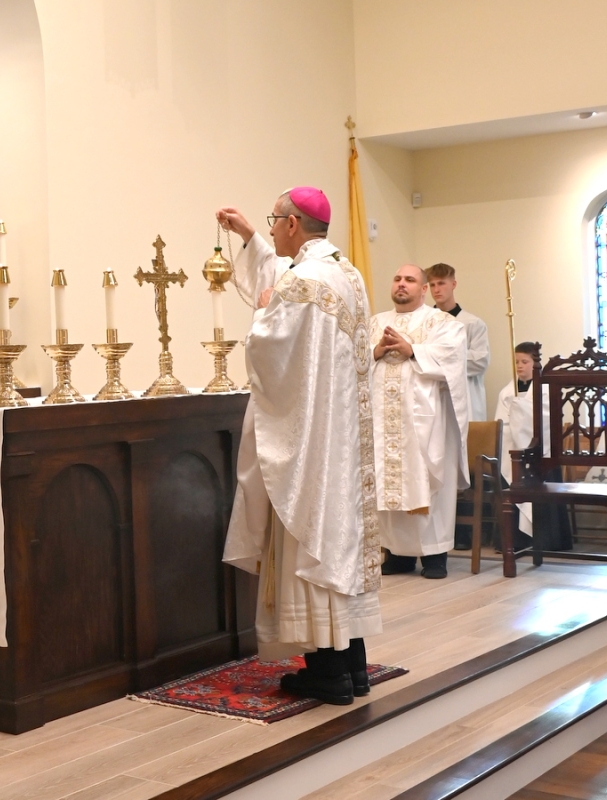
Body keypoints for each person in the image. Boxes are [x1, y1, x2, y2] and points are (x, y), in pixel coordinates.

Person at [216, 187, 380, 706]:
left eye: (272, 221)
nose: (269, 229)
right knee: (338, 546)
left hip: (310, 443)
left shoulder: (305, 282)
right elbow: (287, 287)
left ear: (292, 224)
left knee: (308, 540)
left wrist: (261, 315)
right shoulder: (344, 274)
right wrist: (246, 236)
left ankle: (327, 673)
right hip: (341, 444)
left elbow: (272, 342)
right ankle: (352, 665)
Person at [372, 265, 470, 580]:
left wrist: (411, 349)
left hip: (425, 421)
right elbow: (354, 359)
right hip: (383, 421)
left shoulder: (443, 323)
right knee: (387, 482)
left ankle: (435, 556)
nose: (402, 284)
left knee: (429, 480)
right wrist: (376, 350)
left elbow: (453, 359)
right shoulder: (376, 322)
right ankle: (397, 555)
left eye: (410, 280)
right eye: (397, 278)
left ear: (424, 288)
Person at [494, 342, 572, 551]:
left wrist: (523, 411)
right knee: (512, 486)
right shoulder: (507, 391)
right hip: (512, 450)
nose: (519, 366)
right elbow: (501, 422)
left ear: (535, 363)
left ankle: (547, 542)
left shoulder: (545, 390)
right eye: (516, 362)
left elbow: (548, 419)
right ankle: (515, 542)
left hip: (541, 453)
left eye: (524, 362)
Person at [425, 263, 489, 421]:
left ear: (453, 284)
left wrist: (441, 356)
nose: (436, 290)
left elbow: (480, 361)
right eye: (432, 285)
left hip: (465, 396)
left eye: (441, 283)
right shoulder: (424, 323)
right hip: (432, 398)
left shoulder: (473, 323)